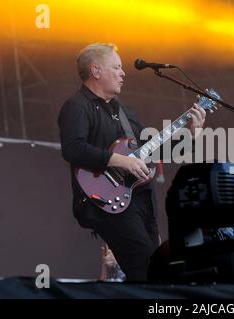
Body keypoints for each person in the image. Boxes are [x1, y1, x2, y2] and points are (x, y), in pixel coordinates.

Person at [58, 43, 206, 282]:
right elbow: (73, 148)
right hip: (106, 202)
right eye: (116, 67)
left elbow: (153, 151)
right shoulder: (77, 106)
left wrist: (193, 133)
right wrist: (121, 161)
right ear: (96, 71)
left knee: (157, 269)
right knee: (146, 271)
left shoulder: (124, 112)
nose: (123, 73)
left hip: (139, 200)